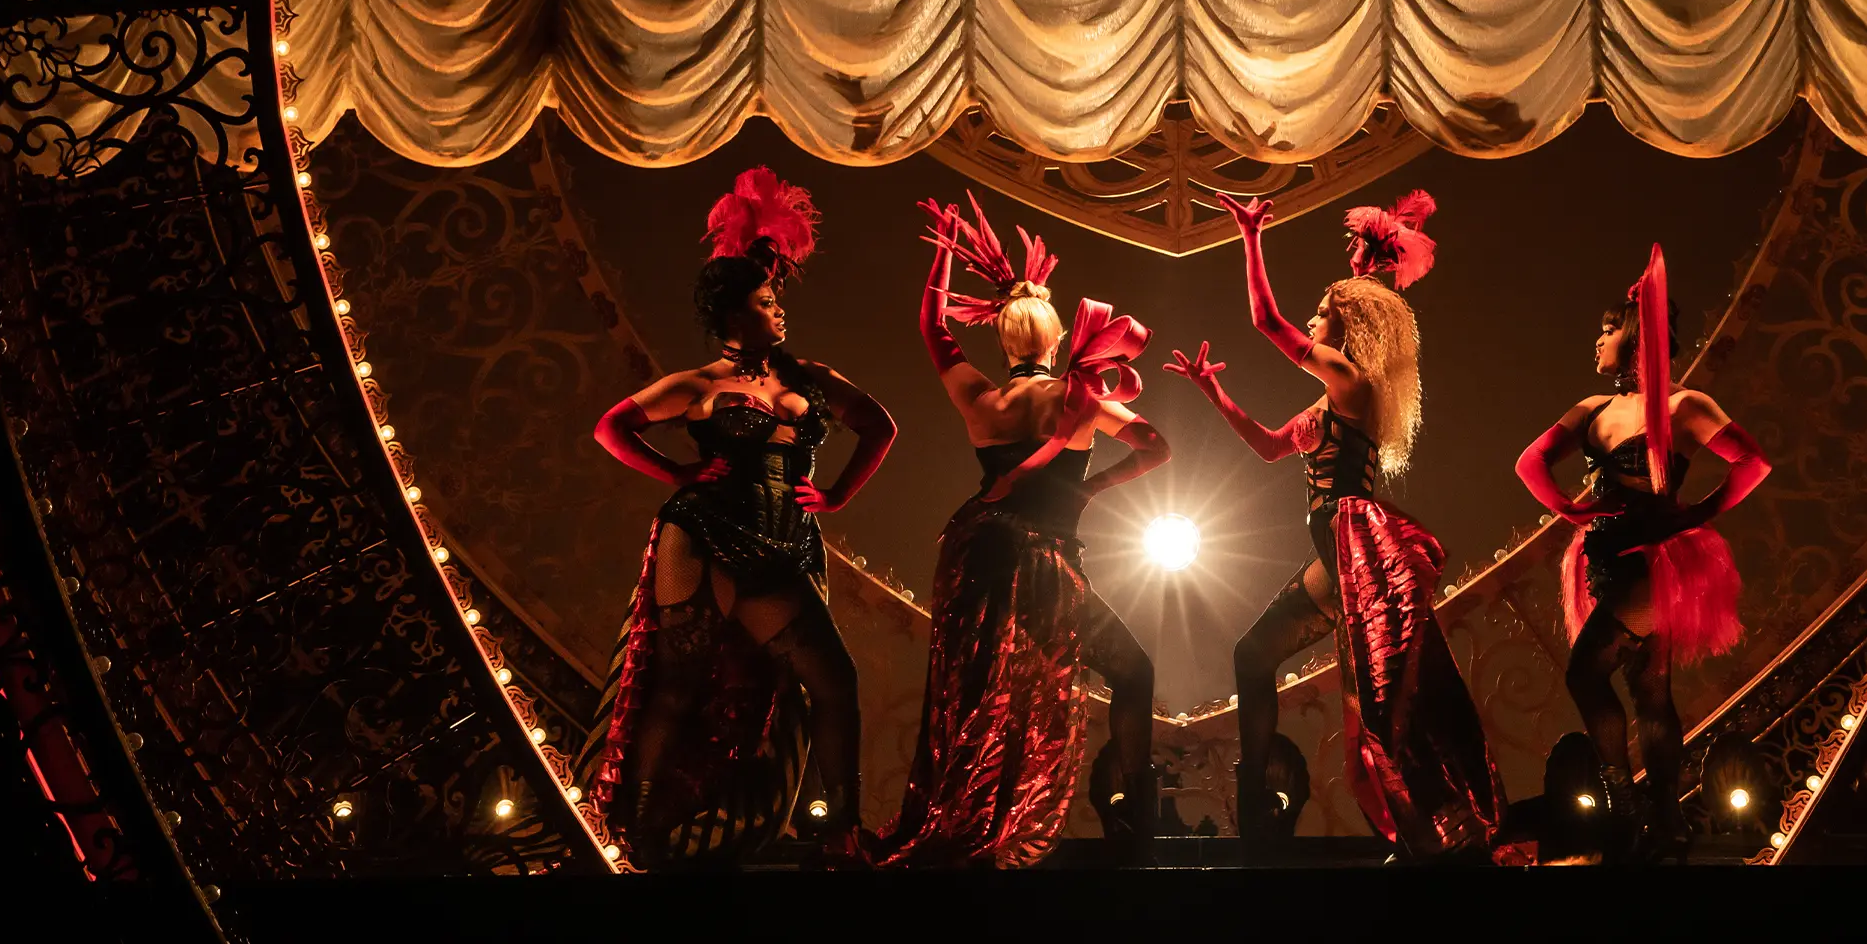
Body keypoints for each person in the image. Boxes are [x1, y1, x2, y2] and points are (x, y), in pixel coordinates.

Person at [1169, 190, 1505, 861]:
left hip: (1363, 551)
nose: (1310, 321)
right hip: (1336, 558)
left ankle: (1439, 835)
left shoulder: (1354, 383)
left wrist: (1250, 235)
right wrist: (1215, 393)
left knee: (1388, 711)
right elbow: (1268, 445)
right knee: (1252, 655)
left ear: (1345, 325)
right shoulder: (1327, 403)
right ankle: (1260, 812)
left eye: (1320, 313)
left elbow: (1265, 319)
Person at [586, 168, 895, 865]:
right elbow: (611, 429)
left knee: (822, 681)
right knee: (680, 684)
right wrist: (680, 473)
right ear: (732, 315)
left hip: (780, 542)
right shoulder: (699, 385)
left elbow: (880, 426)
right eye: (764, 301)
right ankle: (630, 837)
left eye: (777, 298)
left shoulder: (809, 376)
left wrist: (838, 495)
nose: (778, 310)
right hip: (701, 531)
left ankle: (842, 830)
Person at [868, 194, 1169, 867]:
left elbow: (931, 329)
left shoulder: (981, 397)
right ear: (1058, 339)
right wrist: (1092, 487)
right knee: (1125, 672)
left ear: (1002, 340)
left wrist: (945, 251)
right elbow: (1156, 447)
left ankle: (967, 818)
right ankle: (1124, 819)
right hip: (1042, 560)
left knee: (977, 694)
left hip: (977, 545)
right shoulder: (1079, 396)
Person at [1513, 244, 1770, 857]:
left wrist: (1701, 513)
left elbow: (1753, 463)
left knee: (1585, 672)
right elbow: (1529, 462)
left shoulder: (1685, 406)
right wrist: (1569, 509)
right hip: (1606, 560)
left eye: (1604, 330)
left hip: (1656, 565)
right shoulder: (1593, 408)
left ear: (1630, 335)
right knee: (1651, 694)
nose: (1595, 342)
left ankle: (1625, 803)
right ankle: (1665, 817)